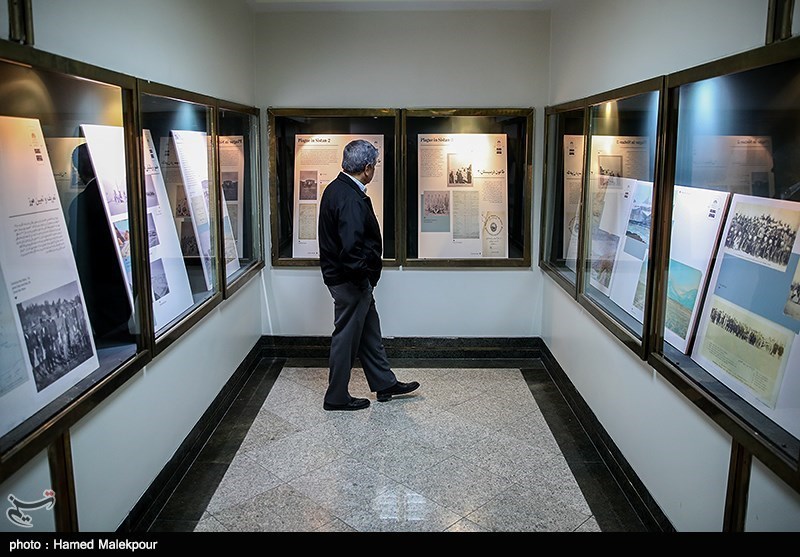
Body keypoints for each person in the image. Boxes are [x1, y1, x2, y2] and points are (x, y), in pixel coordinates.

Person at [318, 139, 419, 411]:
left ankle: (384, 382)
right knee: (346, 338)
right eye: (374, 165)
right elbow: (351, 248)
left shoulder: (337, 189)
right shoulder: (350, 197)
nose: (374, 169)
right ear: (367, 168)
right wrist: (364, 278)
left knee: (369, 330)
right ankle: (336, 396)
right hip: (350, 282)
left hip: (349, 280)